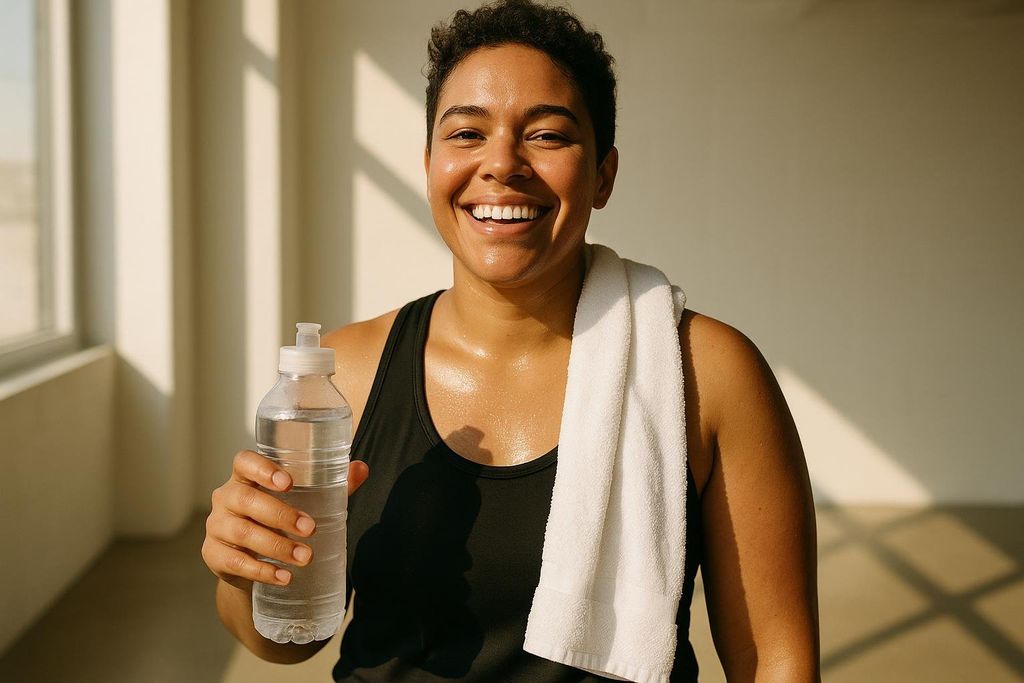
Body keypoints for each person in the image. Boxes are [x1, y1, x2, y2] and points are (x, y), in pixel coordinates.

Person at [201, 0, 820, 680]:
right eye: (467, 133)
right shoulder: (345, 372)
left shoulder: (707, 374)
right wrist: (245, 568)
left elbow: (776, 660)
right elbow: (285, 640)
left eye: (548, 136)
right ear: (430, 162)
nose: (502, 164)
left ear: (605, 174)